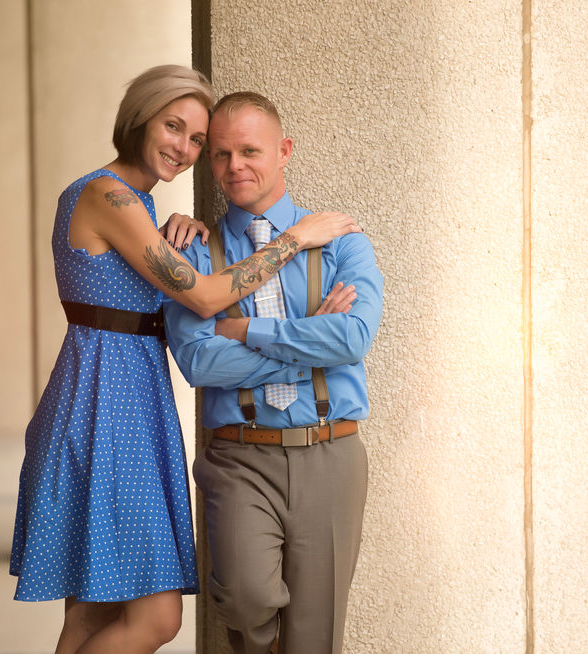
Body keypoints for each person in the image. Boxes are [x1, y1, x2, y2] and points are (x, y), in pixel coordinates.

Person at [9, 66, 361, 654]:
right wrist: (294, 238)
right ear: (140, 119)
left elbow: (160, 275)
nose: (184, 147)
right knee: (156, 619)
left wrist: (181, 225)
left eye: (196, 139)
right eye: (174, 126)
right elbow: (200, 296)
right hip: (107, 408)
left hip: (121, 399)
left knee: (90, 619)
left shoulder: (136, 205)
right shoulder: (108, 194)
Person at [165, 91, 383, 654]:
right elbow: (199, 360)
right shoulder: (192, 253)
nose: (234, 166)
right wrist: (314, 340)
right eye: (219, 154)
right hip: (239, 454)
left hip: (331, 453)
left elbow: (354, 337)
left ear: (284, 151)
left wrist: (247, 332)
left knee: (315, 633)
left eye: (249, 151)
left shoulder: (343, 240)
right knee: (243, 597)